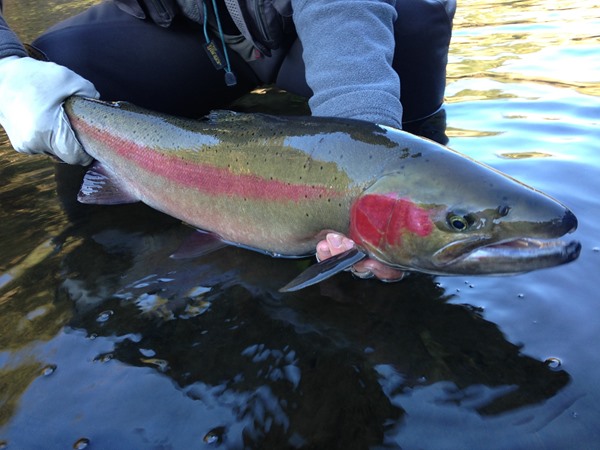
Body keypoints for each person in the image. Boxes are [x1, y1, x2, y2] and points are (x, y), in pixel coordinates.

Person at [0, 0, 456, 282]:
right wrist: (4, 65)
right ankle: (123, 189)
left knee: (414, 13)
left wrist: (365, 161)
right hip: (178, 34)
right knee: (61, 63)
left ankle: (415, 164)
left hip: (308, 30)